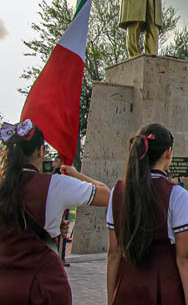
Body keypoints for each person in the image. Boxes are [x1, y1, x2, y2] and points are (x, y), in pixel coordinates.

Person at [0, 119, 110, 304]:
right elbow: (106, 195)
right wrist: (76, 174)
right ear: (41, 151)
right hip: (44, 286)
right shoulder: (55, 185)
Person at [107, 124, 188, 305]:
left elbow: (114, 252)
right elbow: (184, 257)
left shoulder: (117, 191)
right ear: (168, 153)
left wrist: (111, 299)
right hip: (164, 284)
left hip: (127, 284)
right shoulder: (176, 194)